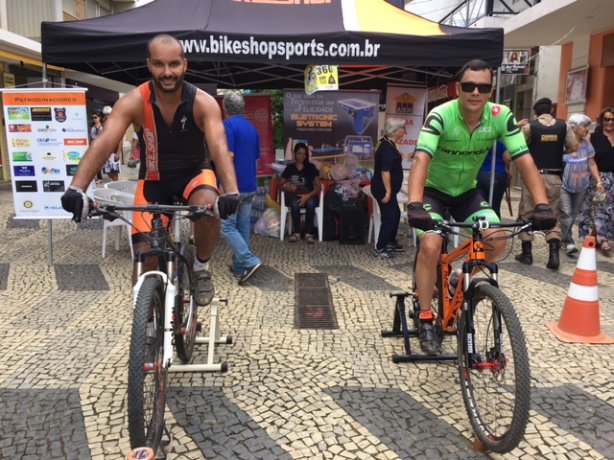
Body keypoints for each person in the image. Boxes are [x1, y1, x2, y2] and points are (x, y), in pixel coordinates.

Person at [61, 33, 240, 306]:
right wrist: (77, 188)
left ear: (184, 65)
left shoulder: (203, 102)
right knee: (144, 259)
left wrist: (231, 191)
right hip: (154, 181)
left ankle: (202, 267)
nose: (167, 72)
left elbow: (218, 145)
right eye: (159, 64)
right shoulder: (134, 101)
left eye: (173, 64)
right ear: (149, 64)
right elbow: (105, 140)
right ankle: (148, 329)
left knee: (207, 208)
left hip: (194, 176)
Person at [406, 59, 556, 355]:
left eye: (484, 87)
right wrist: (414, 203)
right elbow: (421, 159)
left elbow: (524, 160)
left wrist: (541, 204)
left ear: (491, 90)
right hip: (433, 192)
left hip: (467, 193)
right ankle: (425, 317)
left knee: (496, 239)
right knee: (432, 244)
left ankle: (457, 281)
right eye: (469, 86)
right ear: (458, 88)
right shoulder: (440, 115)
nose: (476, 92)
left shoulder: (501, 116)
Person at [515, 97, 578, 270]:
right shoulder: (563, 126)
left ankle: (526, 254)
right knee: (553, 215)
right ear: (551, 110)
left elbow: (518, 148)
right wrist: (559, 152)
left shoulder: (530, 127)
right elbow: (574, 147)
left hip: (533, 177)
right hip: (554, 177)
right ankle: (554, 256)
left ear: (535, 112)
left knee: (526, 213)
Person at [221, 91, 262, 285]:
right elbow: (255, 160)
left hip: (233, 186)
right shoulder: (252, 128)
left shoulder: (228, 125)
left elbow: (228, 156)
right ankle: (239, 267)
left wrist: (223, 184)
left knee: (227, 226)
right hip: (250, 184)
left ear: (225, 107)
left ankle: (249, 259)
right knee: (243, 226)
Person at [559, 114, 604, 257]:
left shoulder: (587, 144)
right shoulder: (563, 144)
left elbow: (591, 163)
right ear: (574, 128)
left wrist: (598, 180)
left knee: (573, 214)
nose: (587, 129)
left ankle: (562, 239)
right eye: (584, 126)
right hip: (564, 185)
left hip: (581, 185)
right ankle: (568, 241)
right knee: (566, 212)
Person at [578, 107, 614, 257]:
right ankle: (604, 240)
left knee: (611, 211)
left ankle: (595, 236)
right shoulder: (594, 137)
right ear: (601, 120)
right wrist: (597, 179)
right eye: (606, 119)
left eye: (612, 119)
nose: (609, 122)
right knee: (600, 208)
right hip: (599, 179)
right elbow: (590, 160)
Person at [371, 117, 406, 258]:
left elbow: (392, 157)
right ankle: (379, 249)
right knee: (389, 218)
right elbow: (385, 171)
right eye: (403, 129)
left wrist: (406, 156)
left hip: (383, 187)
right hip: (383, 189)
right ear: (396, 131)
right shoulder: (387, 148)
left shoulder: (386, 142)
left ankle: (390, 241)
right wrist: (389, 191)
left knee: (396, 214)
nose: (404, 132)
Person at [280, 142, 321, 244]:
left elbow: (319, 187)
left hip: (309, 194)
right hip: (295, 195)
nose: (302, 156)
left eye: (304, 154)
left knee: (311, 203)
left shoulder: (311, 167)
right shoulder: (290, 168)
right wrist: (288, 188)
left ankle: (308, 234)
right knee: (294, 204)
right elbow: (280, 185)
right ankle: (297, 233)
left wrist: (307, 196)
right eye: (299, 153)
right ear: (294, 154)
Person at [476, 141, 511, 218]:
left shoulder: (480, 139)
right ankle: (494, 227)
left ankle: (480, 227)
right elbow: (507, 157)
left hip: (480, 173)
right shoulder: (500, 140)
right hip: (497, 173)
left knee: (481, 206)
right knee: (494, 207)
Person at [101, 105, 121, 182]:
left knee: (115, 173)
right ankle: (115, 185)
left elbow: (120, 139)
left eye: (108, 114)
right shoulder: (103, 125)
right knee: (107, 172)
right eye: (105, 114)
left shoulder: (116, 124)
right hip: (105, 153)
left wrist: (118, 153)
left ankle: (117, 188)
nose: (107, 116)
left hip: (114, 152)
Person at [90, 111, 104, 182]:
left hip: (103, 146)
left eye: (95, 117)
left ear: (99, 117)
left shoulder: (103, 126)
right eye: (93, 118)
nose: (94, 119)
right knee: (96, 163)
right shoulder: (92, 127)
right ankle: (99, 178)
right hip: (94, 146)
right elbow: (92, 136)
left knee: (102, 163)